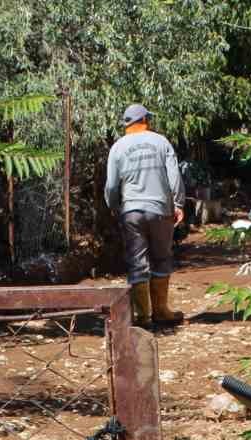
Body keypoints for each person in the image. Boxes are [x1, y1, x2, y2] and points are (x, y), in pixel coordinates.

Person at [105, 103, 185, 327]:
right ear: (145, 120)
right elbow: (174, 176)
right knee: (161, 257)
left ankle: (143, 317)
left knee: (136, 262)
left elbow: (111, 185)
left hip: (131, 211)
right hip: (160, 210)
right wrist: (178, 203)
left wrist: (114, 206)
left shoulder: (118, 147)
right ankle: (161, 311)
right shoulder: (161, 142)